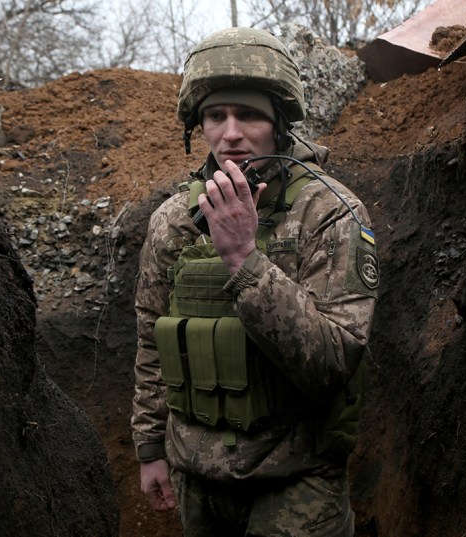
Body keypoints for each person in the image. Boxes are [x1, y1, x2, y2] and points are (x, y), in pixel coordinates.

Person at [131, 27, 379, 536]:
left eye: (249, 115)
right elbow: (151, 337)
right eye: (215, 116)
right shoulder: (175, 219)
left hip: (297, 480)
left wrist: (245, 256)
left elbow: (334, 358)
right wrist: (150, 448)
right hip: (195, 478)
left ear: (279, 123)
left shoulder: (330, 213)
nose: (231, 133)